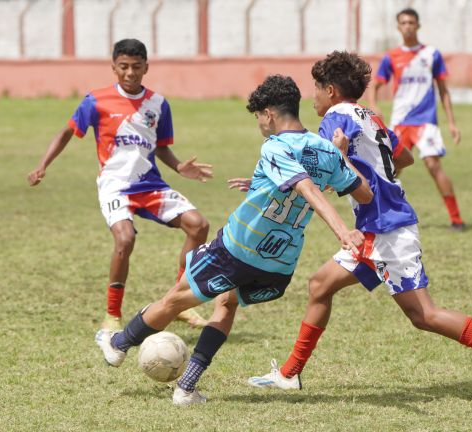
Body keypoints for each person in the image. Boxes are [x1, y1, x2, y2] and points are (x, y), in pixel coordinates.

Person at [248, 51, 472, 408]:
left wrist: (339, 160)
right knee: (320, 285)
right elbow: (403, 158)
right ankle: (290, 374)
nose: (313, 98)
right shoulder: (370, 115)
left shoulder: (336, 117)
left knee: (424, 315)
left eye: (316, 89)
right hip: (377, 225)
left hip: (387, 229)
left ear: (331, 90)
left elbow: (321, 166)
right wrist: (377, 178)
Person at [95, 74, 373, 406]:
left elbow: (305, 187)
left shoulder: (275, 145)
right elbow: (364, 193)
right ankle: (186, 388)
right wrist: (340, 159)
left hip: (236, 250)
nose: (260, 125)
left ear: (269, 114)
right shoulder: (326, 150)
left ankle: (119, 344)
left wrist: (343, 232)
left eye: (259, 118)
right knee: (227, 303)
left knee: (174, 300)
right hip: (279, 265)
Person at [27, 39, 210, 330]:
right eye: (123, 67)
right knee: (125, 239)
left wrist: (178, 166)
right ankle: (112, 315)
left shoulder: (159, 104)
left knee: (198, 225)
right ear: (113, 67)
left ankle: (179, 302)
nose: (130, 73)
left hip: (150, 185)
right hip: (115, 185)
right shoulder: (96, 101)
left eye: (136, 67)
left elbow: (160, 146)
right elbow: (66, 132)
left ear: (146, 67)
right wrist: (43, 165)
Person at [368, 8, 465, 230]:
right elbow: (376, 85)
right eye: (403, 23)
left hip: (426, 121)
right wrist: (374, 106)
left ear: (418, 25)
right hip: (400, 121)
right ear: (398, 27)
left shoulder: (432, 54)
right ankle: (379, 215)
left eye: (411, 22)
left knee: (433, 165)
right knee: (391, 169)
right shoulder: (391, 56)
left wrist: (451, 122)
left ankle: (456, 219)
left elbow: (443, 90)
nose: (408, 26)